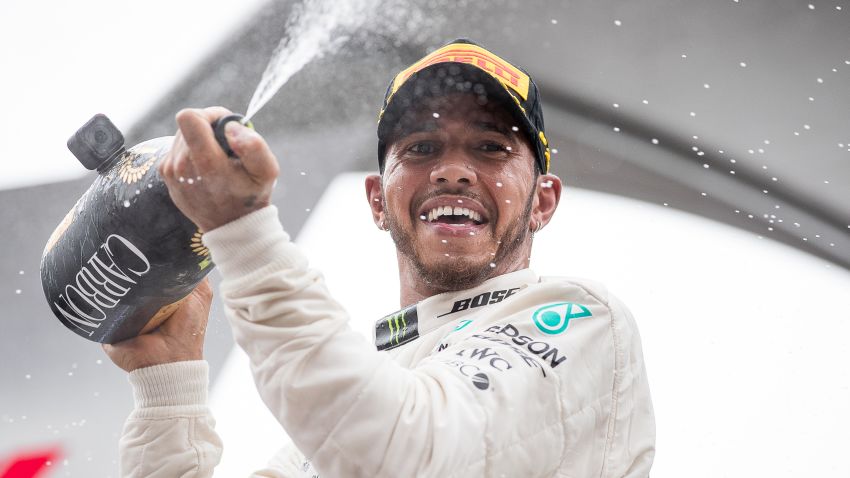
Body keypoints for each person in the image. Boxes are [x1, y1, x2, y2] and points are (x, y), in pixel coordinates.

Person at [104, 39, 655, 477]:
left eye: (490, 147)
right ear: (377, 199)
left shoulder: (582, 320)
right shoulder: (353, 399)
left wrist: (244, 235)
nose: (452, 171)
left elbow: (406, 459)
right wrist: (166, 388)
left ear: (542, 201)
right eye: (421, 148)